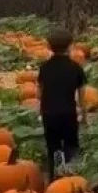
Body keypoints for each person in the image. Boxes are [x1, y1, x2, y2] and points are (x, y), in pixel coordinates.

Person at [38, 28, 88, 180]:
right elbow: (82, 96)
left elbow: (40, 93)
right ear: (70, 46)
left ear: (49, 46)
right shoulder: (76, 68)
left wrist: (41, 111)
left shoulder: (45, 68)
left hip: (49, 113)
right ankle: (69, 176)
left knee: (53, 145)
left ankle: (55, 178)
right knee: (71, 145)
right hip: (68, 112)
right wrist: (84, 116)